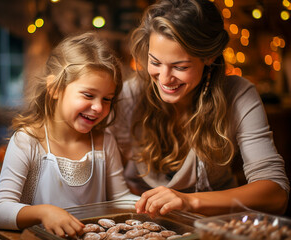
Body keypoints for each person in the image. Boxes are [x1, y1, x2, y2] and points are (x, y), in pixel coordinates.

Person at [110, 0, 290, 218]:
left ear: (209, 56)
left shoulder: (238, 94)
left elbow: (276, 195)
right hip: (140, 220)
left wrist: (189, 201)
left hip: (211, 223)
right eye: (155, 63)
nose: (165, 79)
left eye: (180, 67)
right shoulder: (129, 95)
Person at [0, 32, 137, 238]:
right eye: (88, 95)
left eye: (107, 99)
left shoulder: (105, 141)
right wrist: (44, 212)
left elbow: (120, 199)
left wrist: (146, 202)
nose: (98, 107)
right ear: (54, 88)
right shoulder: (28, 141)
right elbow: (0, 211)